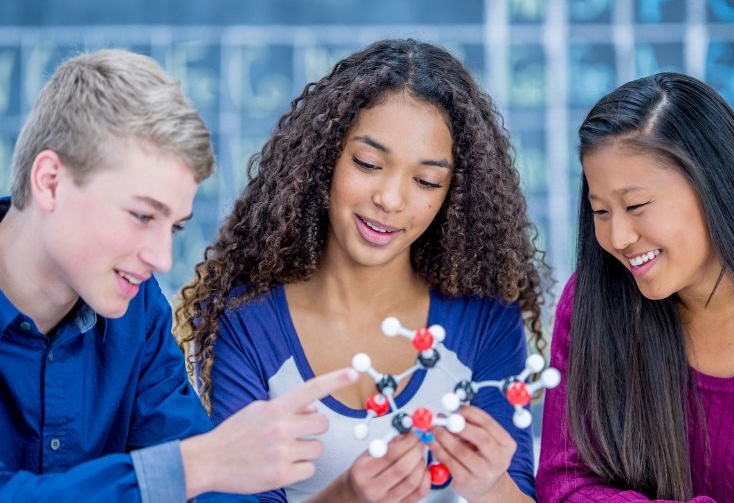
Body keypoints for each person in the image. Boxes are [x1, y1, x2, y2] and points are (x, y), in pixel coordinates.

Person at [175, 38, 550, 503]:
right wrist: (346, 497)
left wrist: (491, 486)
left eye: (426, 181)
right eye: (368, 164)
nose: (390, 199)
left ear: (452, 194)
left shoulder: (486, 319)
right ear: (323, 158)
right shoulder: (246, 320)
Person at [0, 48, 358, 503]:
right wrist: (197, 465)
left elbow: (207, 484)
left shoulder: (139, 311)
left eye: (175, 227)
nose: (163, 259)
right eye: (142, 215)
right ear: (51, 181)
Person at [535, 71, 734, 502]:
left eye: (636, 205)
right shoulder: (595, 303)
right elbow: (566, 485)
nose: (618, 238)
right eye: (601, 212)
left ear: (721, 180)